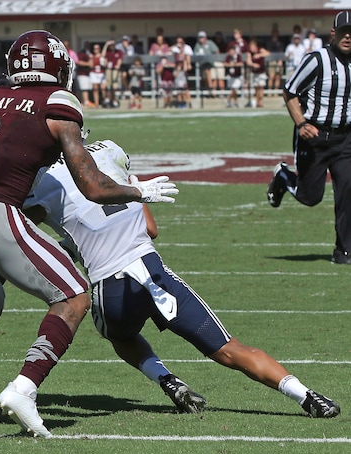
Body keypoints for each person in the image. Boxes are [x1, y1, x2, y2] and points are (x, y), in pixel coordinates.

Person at [0, 30, 178, 438]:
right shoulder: (57, 101)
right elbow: (91, 184)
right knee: (73, 295)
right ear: (57, 67)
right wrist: (139, 190)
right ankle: (25, 388)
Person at [22, 138, 341, 419]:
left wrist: (70, 242)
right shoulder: (108, 151)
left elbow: (23, 229)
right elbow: (151, 229)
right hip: (155, 274)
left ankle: (165, 378)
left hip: (110, 287)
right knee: (231, 349)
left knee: (121, 336)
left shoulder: (39, 181)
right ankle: (306, 396)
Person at [268, 11, 351, 264]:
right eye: (345, 32)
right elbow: (289, 91)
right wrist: (301, 122)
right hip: (313, 136)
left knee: (348, 192)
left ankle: (343, 250)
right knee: (310, 197)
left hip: (345, 139)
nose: (349, 37)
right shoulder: (317, 60)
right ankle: (283, 176)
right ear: (333, 33)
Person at [193, 31, 220, 95]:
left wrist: (215, 59)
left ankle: (212, 91)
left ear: (205, 37)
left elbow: (217, 51)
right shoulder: (197, 45)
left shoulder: (210, 43)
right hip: (202, 64)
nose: (201, 39)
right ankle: (208, 92)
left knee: (213, 77)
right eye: (200, 37)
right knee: (205, 77)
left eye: (202, 37)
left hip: (211, 63)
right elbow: (195, 55)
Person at [247, 39, 270, 108]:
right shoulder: (249, 53)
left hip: (261, 72)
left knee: (261, 86)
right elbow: (248, 61)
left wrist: (259, 55)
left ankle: (261, 101)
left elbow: (268, 53)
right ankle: (258, 102)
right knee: (256, 87)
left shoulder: (260, 50)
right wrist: (253, 65)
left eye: (253, 47)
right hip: (254, 73)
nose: (252, 49)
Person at [101, 39, 122, 107]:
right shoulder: (108, 52)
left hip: (115, 70)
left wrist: (118, 65)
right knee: (108, 84)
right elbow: (103, 55)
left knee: (114, 84)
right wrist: (106, 45)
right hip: (109, 69)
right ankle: (108, 99)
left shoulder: (119, 52)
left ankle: (114, 99)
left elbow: (119, 60)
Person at [265, 26, 285, 92]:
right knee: (271, 76)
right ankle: (270, 91)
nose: (275, 34)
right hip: (271, 61)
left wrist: (280, 60)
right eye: (274, 33)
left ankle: (276, 91)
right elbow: (268, 52)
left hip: (279, 61)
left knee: (278, 77)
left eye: (276, 33)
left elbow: (281, 52)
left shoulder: (280, 42)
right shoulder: (269, 42)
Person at [75, 41, 93, 107]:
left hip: (89, 73)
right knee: (84, 88)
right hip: (82, 73)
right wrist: (88, 64)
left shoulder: (90, 53)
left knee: (87, 88)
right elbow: (78, 62)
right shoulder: (81, 53)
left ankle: (85, 101)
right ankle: (86, 101)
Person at [89, 42, 106, 108]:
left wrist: (103, 60)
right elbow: (90, 65)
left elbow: (105, 64)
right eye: (95, 49)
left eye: (97, 48)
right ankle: (97, 104)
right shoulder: (92, 56)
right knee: (95, 89)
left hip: (101, 73)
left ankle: (105, 102)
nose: (96, 50)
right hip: (94, 73)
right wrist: (90, 58)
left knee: (103, 89)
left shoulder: (102, 56)